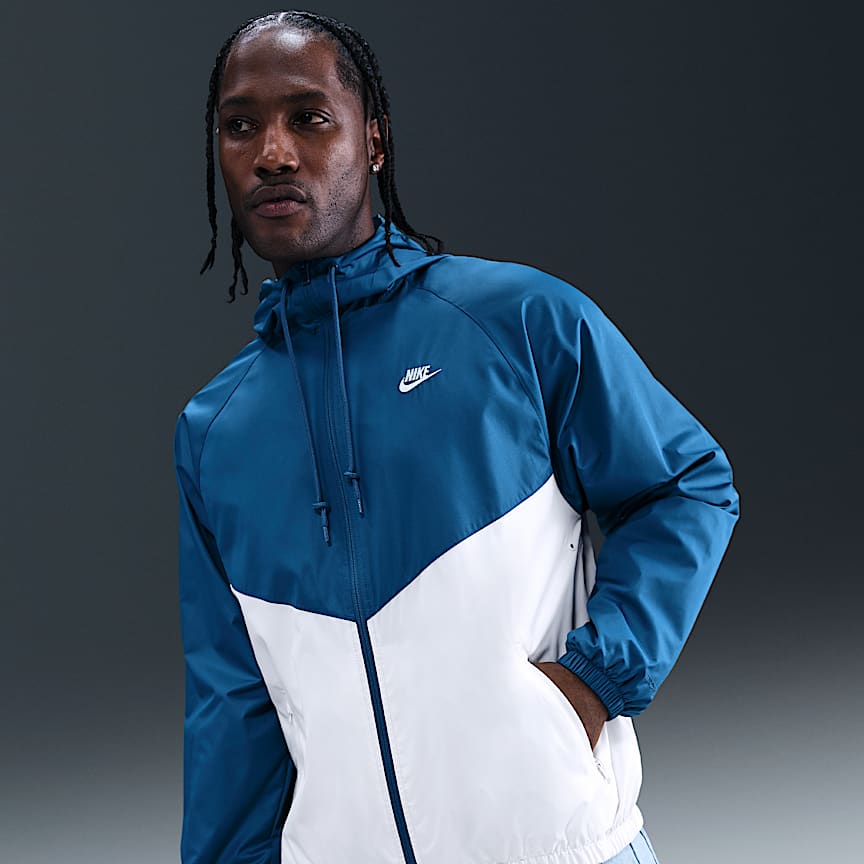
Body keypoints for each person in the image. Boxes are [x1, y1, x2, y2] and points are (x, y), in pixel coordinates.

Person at [175, 10, 739, 864]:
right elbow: (232, 703)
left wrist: (595, 682)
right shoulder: (215, 431)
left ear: (373, 139)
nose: (274, 153)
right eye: (240, 126)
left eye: (309, 117)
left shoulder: (516, 322)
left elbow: (686, 483)